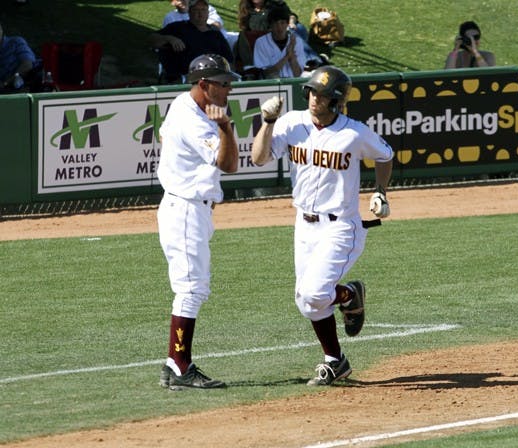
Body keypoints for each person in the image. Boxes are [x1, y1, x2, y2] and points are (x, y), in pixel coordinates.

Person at [251, 66, 394, 386]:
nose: (315, 98)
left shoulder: (354, 133)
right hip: (303, 224)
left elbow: (385, 155)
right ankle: (336, 359)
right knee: (305, 300)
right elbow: (258, 158)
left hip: (341, 226)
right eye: (313, 92)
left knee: (315, 293)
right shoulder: (291, 124)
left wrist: (380, 191)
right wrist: (268, 123)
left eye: (323, 95)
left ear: (338, 100)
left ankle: (346, 295)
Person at [157, 54, 241, 390]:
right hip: (186, 209)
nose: (229, 88)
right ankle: (179, 365)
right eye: (223, 83)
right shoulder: (198, 121)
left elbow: (164, 137)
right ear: (204, 85)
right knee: (191, 289)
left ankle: (173, 364)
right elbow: (230, 164)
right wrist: (225, 127)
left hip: (188, 205)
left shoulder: (181, 102)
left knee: (192, 287)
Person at [150, 0, 234, 83]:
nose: (200, 13)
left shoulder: (215, 33)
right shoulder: (177, 28)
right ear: (189, 12)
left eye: (203, 10)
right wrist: (169, 38)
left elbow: (228, 60)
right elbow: (152, 39)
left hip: (213, 78)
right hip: (184, 78)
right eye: (196, 10)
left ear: (208, 13)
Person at [253, 6, 305, 78]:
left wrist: (292, 57)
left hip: (292, 82)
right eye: (275, 23)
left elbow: (297, 74)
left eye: (282, 23)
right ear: (270, 25)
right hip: (271, 84)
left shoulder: (297, 41)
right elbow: (266, 73)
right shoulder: (261, 42)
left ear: (287, 24)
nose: (279, 27)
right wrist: (286, 57)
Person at [162, 0, 238, 49]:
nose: (183, 1)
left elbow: (217, 25)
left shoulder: (207, 8)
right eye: (179, 0)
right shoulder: (170, 17)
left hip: (222, 40)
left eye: (203, 10)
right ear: (172, 2)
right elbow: (164, 38)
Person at [0, 22, 38, 92]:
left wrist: (6, 83)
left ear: (1, 30)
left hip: (20, 90)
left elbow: (28, 65)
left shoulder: (16, 42)